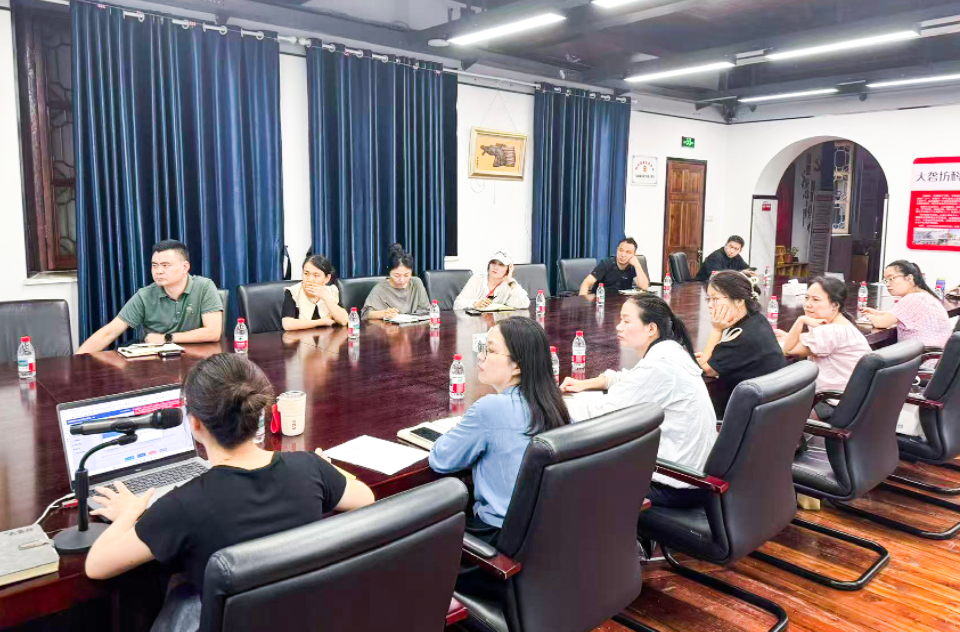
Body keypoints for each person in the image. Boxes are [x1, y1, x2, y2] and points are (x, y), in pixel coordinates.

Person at [84, 354, 375, 626]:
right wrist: (325, 468)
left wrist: (131, 511)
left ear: (195, 424)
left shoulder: (183, 504)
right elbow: (366, 498)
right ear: (257, 413)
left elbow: (96, 565)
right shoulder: (309, 467)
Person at [560, 295, 718, 508]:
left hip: (675, 485)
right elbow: (633, 378)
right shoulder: (671, 353)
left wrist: (553, 401)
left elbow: (603, 414)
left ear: (651, 328)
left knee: (575, 473)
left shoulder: (661, 366)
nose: (618, 326)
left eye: (626, 320)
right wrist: (588, 383)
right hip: (692, 476)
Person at [429, 317, 569, 545]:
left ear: (518, 366)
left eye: (491, 350)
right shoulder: (555, 405)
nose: (480, 356)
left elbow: (441, 460)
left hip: (499, 537)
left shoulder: (490, 409)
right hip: (545, 537)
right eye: (482, 347)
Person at [77, 240, 223, 353]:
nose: (158, 271)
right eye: (154, 265)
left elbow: (213, 332)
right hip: (156, 363)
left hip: (198, 361)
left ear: (185, 267)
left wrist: (166, 338)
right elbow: (109, 333)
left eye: (165, 265)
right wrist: (77, 361)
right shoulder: (145, 295)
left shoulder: (204, 287)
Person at [775, 277, 871, 420]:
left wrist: (801, 321)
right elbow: (813, 341)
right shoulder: (843, 324)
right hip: (854, 403)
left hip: (832, 404)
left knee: (771, 412)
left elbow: (787, 350)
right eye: (806, 298)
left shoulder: (829, 331)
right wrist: (790, 335)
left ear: (834, 305)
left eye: (816, 300)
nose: (808, 304)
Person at [697, 271, 786, 417]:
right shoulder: (758, 320)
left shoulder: (742, 337)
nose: (710, 305)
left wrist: (717, 329)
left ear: (739, 301)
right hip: (770, 411)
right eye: (709, 299)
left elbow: (706, 368)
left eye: (715, 299)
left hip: (746, 416)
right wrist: (713, 356)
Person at [863, 260, 952, 350]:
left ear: (909, 278)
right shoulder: (923, 295)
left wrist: (869, 316)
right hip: (933, 354)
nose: (888, 284)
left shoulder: (913, 298)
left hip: (924, 356)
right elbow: (899, 316)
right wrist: (878, 313)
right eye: (886, 280)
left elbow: (881, 323)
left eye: (891, 279)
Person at [361, 243, 432, 320]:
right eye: (397, 275)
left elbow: (426, 310)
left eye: (406, 275)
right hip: (390, 327)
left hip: (415, 326)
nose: (402, 280)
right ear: (389, 272)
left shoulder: (416, 283)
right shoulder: (380, 289)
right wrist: (383, 313)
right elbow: (365, 314)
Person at [282, 255, 349, 330]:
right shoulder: (293, 292)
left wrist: (326, 298)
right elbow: (287, 324)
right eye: (306, 274)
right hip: (301, 336)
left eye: (316, 275)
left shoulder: (332, 291)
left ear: (327, 278)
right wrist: (321, 322)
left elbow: (344, 321)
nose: (310, 279)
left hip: (328, 336)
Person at [453, 250, 531, 310]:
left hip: (499, 323)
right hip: (476, 322)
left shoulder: (509, 283)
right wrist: (475, 303)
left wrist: (510, 281)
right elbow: (457, 304)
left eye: (501, 265)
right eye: (493, 263)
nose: (495, 267)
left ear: (509, 269)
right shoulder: (477, 279)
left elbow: (524, 304)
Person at [579, 237, 650, 298]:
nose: (623, 255)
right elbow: (586, 283)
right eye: (621, 250)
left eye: (628, 252)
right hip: (603, 301)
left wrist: (637, 265)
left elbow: (644, 287)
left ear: (633, 255)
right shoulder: (606, 263)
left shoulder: (632, 267)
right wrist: (582, 303)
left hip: (623, 303)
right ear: (617, 250)